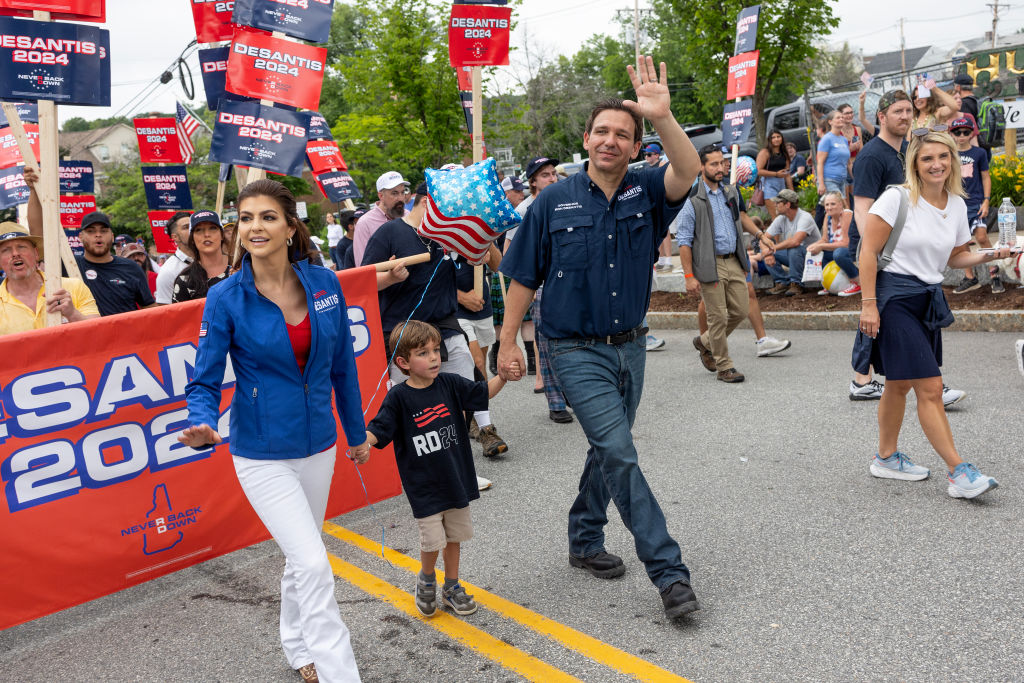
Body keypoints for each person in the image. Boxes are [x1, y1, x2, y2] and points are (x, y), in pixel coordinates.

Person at [499, 57, 703, 620]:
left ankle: (585, 538)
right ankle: (670, 573)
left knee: (606, 449)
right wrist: (510, 341)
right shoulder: (552, 200)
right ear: (585, 139)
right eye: (602, 131)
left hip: (631, 345)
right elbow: (522, 276)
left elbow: (687, 171)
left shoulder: (646, 190)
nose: (611, 141)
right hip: (571, 348)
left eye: (623, 134)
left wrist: (661, 117)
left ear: (636, 146)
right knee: (618, 450)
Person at [179, 179, 367, 683]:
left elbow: (344, 365)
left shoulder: (325, 283)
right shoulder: (224, 297)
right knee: (314, 562)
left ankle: (296, 643)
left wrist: (356, 433)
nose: (254, 227)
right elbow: (204, 377)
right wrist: (199, 421)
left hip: (318, 445)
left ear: (289, 226)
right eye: (245, 218)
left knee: (299, 555)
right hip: (261, 453)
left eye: (266, 217)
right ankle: (339, 673)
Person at [855, 129, 1006, 499]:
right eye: (927, 158)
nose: (937, 164)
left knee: (899, 383)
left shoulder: (956, 203)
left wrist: (993, 254)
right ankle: (959, 472)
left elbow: (956, 257)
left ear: (954, 160)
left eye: (943, 156)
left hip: (926, 298)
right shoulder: (897, 199)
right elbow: (867, 251)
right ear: (915, 164)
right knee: (931, 387)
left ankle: (886, 458)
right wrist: (869, 304)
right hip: (893, 299)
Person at [364, 321, 510, 619]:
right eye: (423, 352)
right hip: (424, 486)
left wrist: (503, 377)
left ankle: (452, 586)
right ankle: (427, 579)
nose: (433, 357)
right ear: (403, 362)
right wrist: (362, 443)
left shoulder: (451, 384)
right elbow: (378, 430)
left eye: (435, 350)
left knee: (454, 537)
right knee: (433, 542)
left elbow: (483, 393)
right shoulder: (398, 398)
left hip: (456, 479)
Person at [362, 183, 509, 466]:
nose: (452, 214)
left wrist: (483, 234)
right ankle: (418, 464)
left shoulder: (447, 234)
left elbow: (491, 262)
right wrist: (391, 278)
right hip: (402, 331)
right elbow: (364, 279)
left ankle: (470, 446)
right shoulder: (390, 232)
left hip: (444, 324)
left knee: (464, 382)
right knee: (412, 404)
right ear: (428, 202)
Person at [679, 144, 779, 381]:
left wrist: (761, 236)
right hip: (708, 264)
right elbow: (683, 241)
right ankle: (724, 366)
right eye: (713, 164)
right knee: (718, 317)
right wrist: (688, 276)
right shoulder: (692, 198)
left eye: (721, 163)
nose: (719, 168)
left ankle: (704, 342)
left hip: (734, 260)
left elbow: (742, 217)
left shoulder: (730, 192)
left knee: (741, 309)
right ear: (702, 167)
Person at [504, 155, 573, 412]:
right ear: (532, 182)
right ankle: (555, 402)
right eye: (545, 175)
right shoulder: (524, 210)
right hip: (540, 284)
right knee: (545, 343)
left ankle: (570, 391)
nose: (553, 178)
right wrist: (524, 287)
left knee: (571, 340)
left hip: (567, 283)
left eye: (554, 173)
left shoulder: (566, 201)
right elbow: (511, 248)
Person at [0, 222, 99, 334]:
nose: (15, 254)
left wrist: (72, 314)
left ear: (36, 253)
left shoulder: (74, 287)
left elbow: (99, 333)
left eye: (21, 247)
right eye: (6, 250)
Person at [949, 117, 996, 294]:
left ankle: (995, 271)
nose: (961, 136)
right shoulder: (948, 154)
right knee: (960, 242)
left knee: (982, 237)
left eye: (966, 132)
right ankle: (970, 277)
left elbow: (985, 176)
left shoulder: (979, 153)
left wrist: (986, 200)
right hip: (956, 204)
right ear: (951, 134)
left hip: (976, 202)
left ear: (972, 133)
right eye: (957, 132)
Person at [763, 189, 821, 297]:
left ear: (787, 204)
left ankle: (797, 284)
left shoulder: (805, 217)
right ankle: (783, 282)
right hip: (795, 257)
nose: (775, 205)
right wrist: (767, 252)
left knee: (794, 248)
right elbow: (764, 238)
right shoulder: (781, 218)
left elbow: (795, 242)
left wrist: (771, 249)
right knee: (765, 252)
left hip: (813, 257)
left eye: (778, 203)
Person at [171, 211, 231, 303]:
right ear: (192, 239)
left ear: (222, 235)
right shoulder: (185, 280)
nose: (206, 234)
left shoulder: (243, 265)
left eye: (212, 228)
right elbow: (180, 316)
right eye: (199, 230)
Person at [352, 171, 410, 266]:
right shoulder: (365, 223)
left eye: (403, 192)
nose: (400, 198)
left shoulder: (408, 216)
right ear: (381, 196)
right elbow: (362, 268)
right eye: (394, 193)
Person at [808, 191, 859, 296]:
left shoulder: (847, 214)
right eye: (827, 205)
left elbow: (846, 243)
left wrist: (821, 246)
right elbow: (825, 239)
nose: (829, 207)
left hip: (855, 251)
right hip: (839, 249)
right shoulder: (828, 216)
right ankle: (828, 283)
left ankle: (858, 282)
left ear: (840, 204)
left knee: (839, 253)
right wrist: (814, 245)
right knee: (820, 253)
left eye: (833, 204)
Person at [155, 211, 195, 304]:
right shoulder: (168, 272)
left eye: (193, 225)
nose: (192, 229)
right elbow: (165, 310)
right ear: (175, 237)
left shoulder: (211, 257)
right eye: (186, 227)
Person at [756, 129, 792, 220]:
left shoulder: (784, 153)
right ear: (770, 140)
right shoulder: (765, 152)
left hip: (781, 185)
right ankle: (774, 234)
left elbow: (787, 174)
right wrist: (776, 174)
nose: (776, 139)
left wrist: (792, 191)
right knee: (776, 218)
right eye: (773, 137)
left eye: (778, 137)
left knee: (785, 217)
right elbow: (758, 170)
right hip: (768, 185)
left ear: (782, 138)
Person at [816, 111, 852, 204]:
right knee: (843, 207)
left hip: (842, 180)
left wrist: (855, 178)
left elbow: (848, 163)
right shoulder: (826, 139)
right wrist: (821, 184)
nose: (841, 119)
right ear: (830, 122)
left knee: (835, 212)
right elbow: (820, 163)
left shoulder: (843, 139)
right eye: (838, 117)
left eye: (842, 117)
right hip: (829, 180)